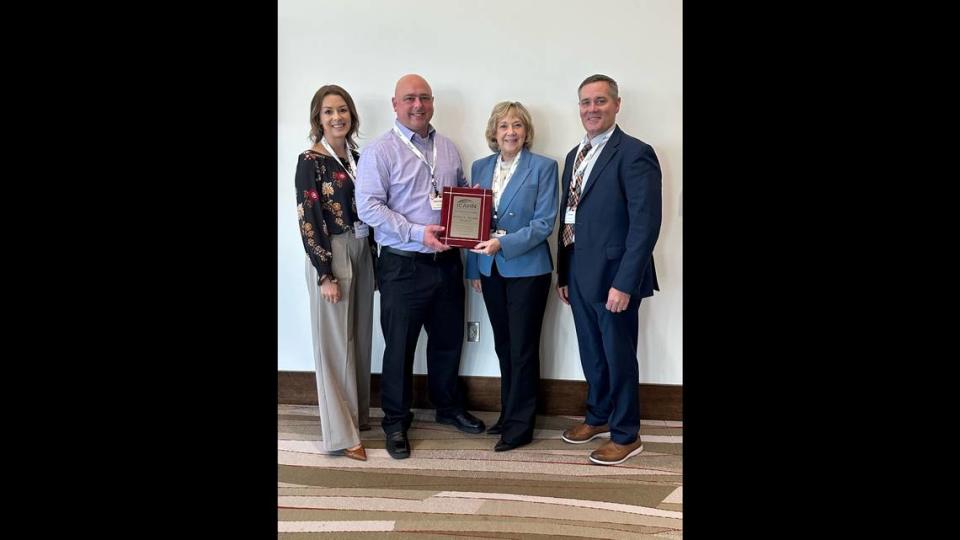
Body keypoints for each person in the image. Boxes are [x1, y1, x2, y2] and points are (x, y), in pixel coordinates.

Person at [355, 74, 485, 460]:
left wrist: (474, 212)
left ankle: (447, 407)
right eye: (409, 98)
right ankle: (395, 421)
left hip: (446, 262)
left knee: (447, 341)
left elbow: (460, 193)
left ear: (433, 103)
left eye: (424, 98)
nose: (418, 105)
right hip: (402, 265)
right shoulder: (380, 151)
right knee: (399, 348)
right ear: (394, 104)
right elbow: (369, 208)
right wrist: (416, 233)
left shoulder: (447, 148)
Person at [555, 74, 662, 466]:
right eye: (585, 102)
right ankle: (598, 415)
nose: (592, 109)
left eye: (600, 101)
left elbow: (645, 223)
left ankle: (626, 433)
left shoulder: (635, 153)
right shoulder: (574, 155)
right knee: (591, 352)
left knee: (618, 355)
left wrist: (625, 283)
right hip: (579, 273)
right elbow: (568, 218)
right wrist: (563, 275)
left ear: (617, 105)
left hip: (616, 277)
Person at [464, 102, 558, 452]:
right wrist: (474, 267)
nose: (510, 132)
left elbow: (544, 224)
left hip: (528, 270)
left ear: (526, 131)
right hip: (489, 269)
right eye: (503, 125)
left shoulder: (544, 167)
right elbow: (471, 222)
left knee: (522, 349)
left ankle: (521, 426)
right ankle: (508, 414)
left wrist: (501, 244)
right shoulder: (480, 166)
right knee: (503, 346)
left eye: (517, 125)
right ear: (494, 131)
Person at [295, 84, 376, 462]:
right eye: (328, 112)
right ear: (318, 119)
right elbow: (308, 219)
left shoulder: (360, 156)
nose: (337, 117)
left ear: (352, 115)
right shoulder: (310, 160)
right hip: (333, 251)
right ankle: (342, 434)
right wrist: (324, 273)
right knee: (333, 346)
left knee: (358, 338)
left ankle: (357, 416)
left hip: (362, 250)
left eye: (342, 110)